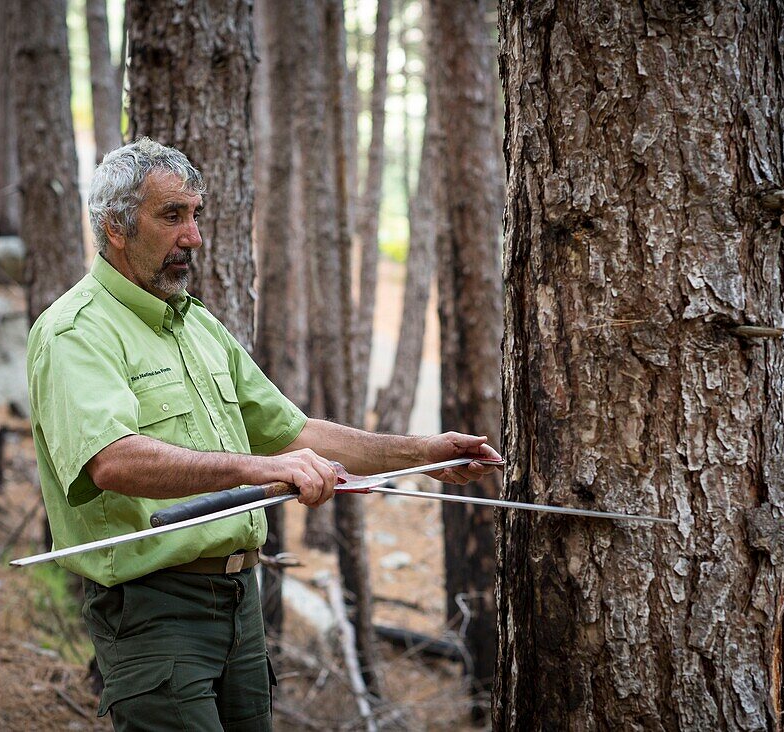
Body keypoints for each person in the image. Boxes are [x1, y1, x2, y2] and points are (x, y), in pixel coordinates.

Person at [27, 137, 501, 731]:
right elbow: (113, 462)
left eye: (195, 216)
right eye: (172, 216)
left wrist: (420, 453)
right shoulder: (77, 332)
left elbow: (290, 432)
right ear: (115, 228)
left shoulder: (195, 323)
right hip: (154, 613)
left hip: (240, 606)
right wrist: (261, 469)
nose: (193, 237)